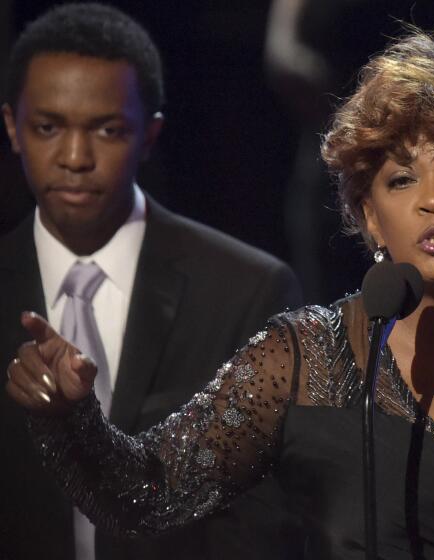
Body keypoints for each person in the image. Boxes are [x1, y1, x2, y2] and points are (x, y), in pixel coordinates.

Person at [6, 29, 434, 559]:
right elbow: (149, 492)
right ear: (370, 214)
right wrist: (71, 418)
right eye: (401, 180)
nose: (433, 201)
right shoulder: (300, 359)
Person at [0, 4, 302, 560]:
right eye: (48, 127)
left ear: (150, 134)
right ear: (11, 128)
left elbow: (259, 522)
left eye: (107, 130)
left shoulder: (246, 291)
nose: (74, 158)